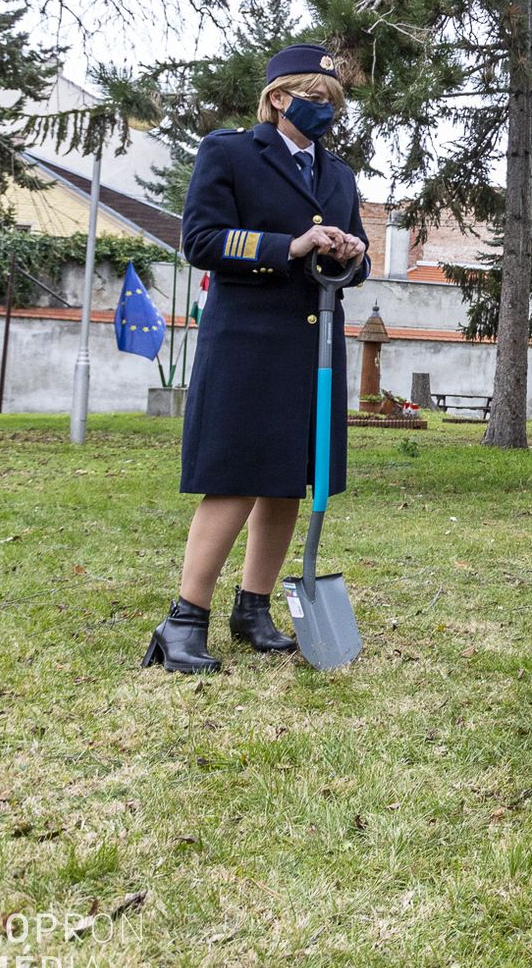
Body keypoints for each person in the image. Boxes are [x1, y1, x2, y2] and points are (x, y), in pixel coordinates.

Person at [146, 43, 369, 673]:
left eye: (333, 102)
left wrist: (348, 254)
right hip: (247, 342)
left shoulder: (339, 175)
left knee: (289, 481)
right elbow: (201, 239)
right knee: (236, 475)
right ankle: (184, 618)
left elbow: (357, 263)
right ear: (279, 98)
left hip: (312, 344)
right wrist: (290, 244)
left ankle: (254, 607)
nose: (327, 110)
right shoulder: (231, 152)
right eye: (316, 98)